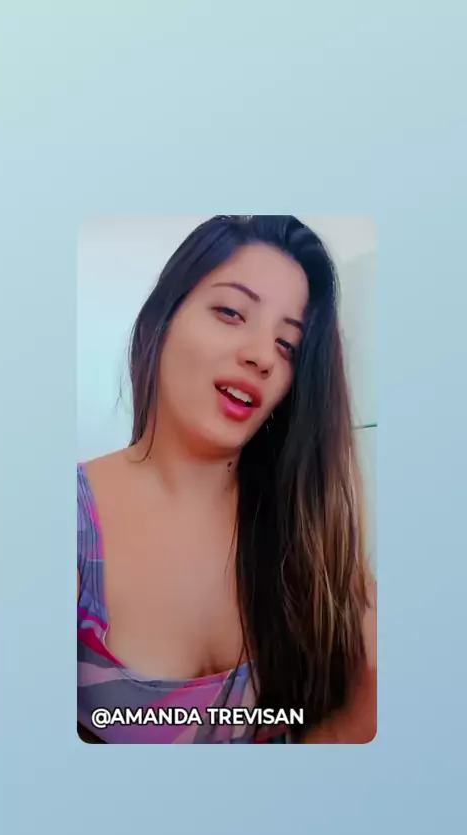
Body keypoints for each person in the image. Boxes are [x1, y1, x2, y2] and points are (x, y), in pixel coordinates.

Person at [77, 215, 377, 744]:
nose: (261, 357)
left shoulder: (309, 529)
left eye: (287, 345)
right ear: (160, 322)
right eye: (232, 312)